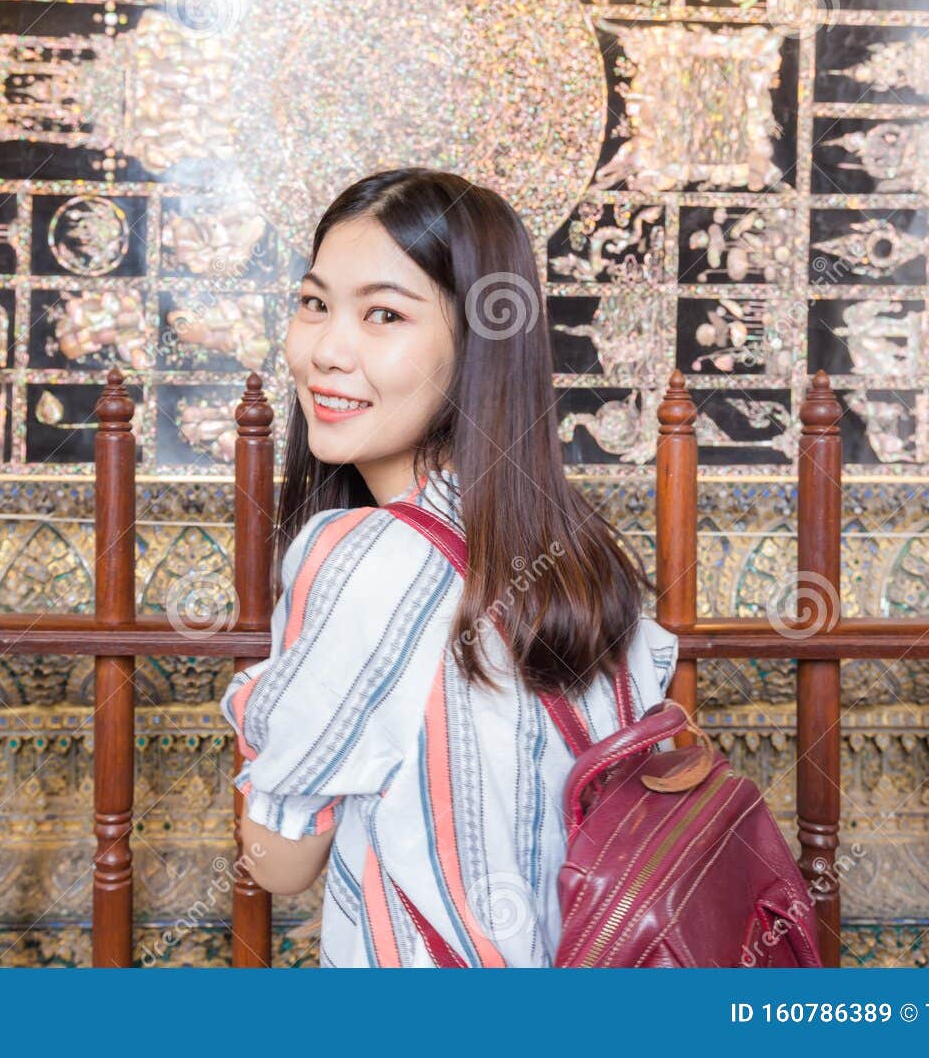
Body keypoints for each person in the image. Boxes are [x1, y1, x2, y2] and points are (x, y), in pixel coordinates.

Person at [219, 167, 681, 967]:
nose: (327, 349)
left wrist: (262, 703)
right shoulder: (584, 556)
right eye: (314, 302)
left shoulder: (360, 558)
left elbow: (278, 862)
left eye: (385, 314)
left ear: (477, 347)